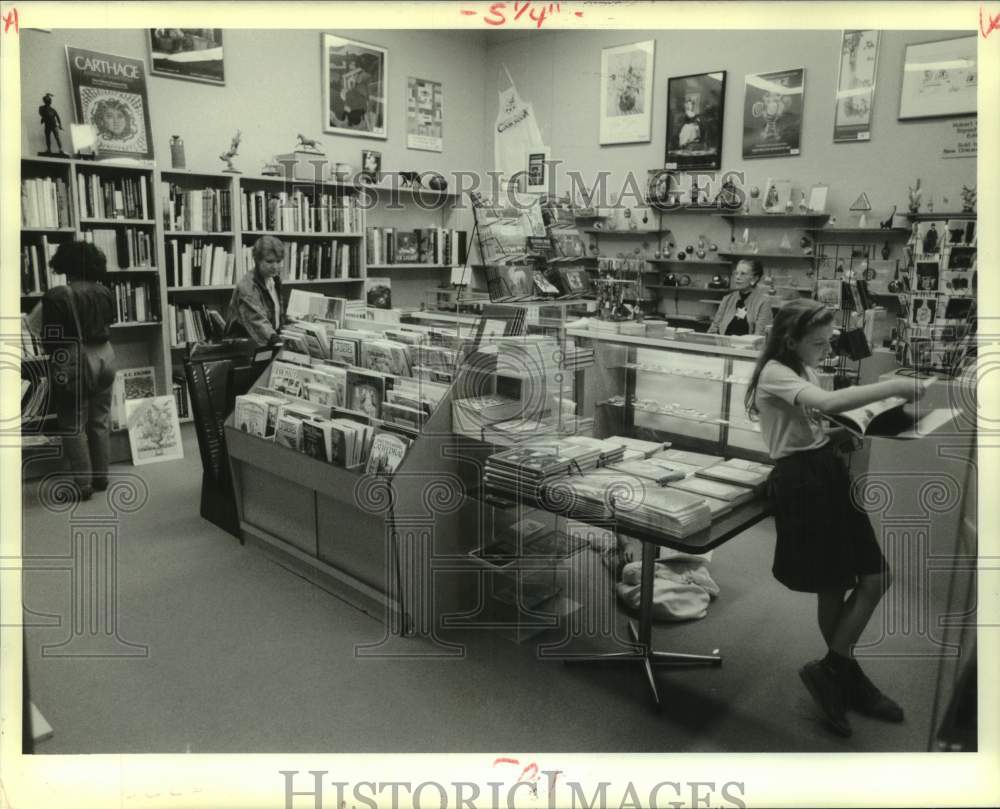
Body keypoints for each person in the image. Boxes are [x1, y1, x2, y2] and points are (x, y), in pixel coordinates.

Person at [744, 298, 927, 738]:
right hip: (803, 482)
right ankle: (843, 675)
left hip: (823, 470)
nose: (825, 349)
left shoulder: (800, 367)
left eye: (829, 341)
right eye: (818, 342)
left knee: (873, 577)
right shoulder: (775, 371)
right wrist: (892, 387)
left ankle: (834, 670)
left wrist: (840, 432)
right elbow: (826, 401)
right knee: (838, 583)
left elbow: (812, 419)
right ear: (790, 340)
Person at [42, 241, 117, 501]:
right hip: (106, 356)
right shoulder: (105, 291)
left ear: (64, 265)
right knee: (100, 419)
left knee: (73, 422)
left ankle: (84, 486)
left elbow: (50, 340)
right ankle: (101, 477)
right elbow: (109, 321)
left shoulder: (57, 295)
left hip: (75, 358)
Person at [225, 235, 287, 346]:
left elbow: (277, 315)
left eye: (278, 261)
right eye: (269, 261)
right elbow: (257, 321)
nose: (275, 266)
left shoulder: (274, 280)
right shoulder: (247, 285)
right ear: (257, 260)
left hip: (265, 343)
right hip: (243, 347)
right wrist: (277, 341)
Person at [707, 259, 773, 336]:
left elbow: (759, 336)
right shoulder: (727, 299)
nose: (737, 277)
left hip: (747, 347)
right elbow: (713, 329)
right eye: (736, 273)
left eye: (743, 274)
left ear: (754, 279)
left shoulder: (763, 302)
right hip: (723, 346)